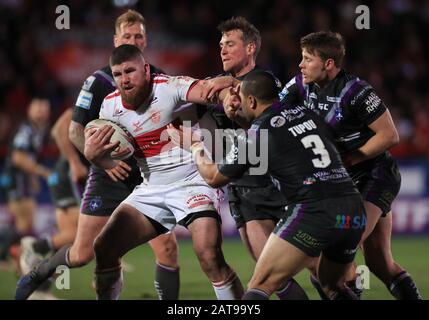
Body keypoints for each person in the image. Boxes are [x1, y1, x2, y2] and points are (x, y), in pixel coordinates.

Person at [15, 10, 179, 300]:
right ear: (116, 40)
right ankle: (39, 272)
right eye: (127, 36)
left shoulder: (162, 79)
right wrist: (103, 161)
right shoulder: (100, 80)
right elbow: (74, 130)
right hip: (108, 178)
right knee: (81, 254)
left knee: (167, 249)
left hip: (148, 179)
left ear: (145, 40)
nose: (133, 40)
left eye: (138, 36)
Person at [169, 70, 366, 300]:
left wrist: (194, 146)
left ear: (250, 100)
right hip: (353, 210)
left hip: (314, 210)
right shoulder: (306, 112)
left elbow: (214, 177)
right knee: (334, 286)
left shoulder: (255, 135)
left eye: (240, 99)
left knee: (259, 284)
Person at [83, 44, 243, 300]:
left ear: (146, 69)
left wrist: (227, 94)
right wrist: (94, 156)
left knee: (209, 254)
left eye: (130, 71)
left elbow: (209, 92)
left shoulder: (170, 87)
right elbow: (101, 151)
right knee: (104, 247)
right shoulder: (109, 108)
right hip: (152, 189)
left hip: (193, 182)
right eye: (118, 74)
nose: (124, 80)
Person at [280, 31, 422, 300]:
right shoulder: (301, 83)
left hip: (374, 177)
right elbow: (272, 110)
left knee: (336, 256)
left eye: (308, 59)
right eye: (302, 58)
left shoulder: (356, 91)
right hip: (341, 183)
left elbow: (389, 135)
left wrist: (352, 158)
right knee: (380, 264)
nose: (301, 65)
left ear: (329, 64)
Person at [201, 16, 307, 299]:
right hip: (241, 189)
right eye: (221, 44)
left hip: (276, 186)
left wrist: (229, 83)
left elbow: (270, 124)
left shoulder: (267, 82)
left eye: (230, 44)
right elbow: (192, 92)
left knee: (321, 271)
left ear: (250, 49)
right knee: (271, 276)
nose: (222, 49)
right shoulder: (215, 85)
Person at [19, 108, 87, 275]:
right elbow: (58, 130)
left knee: (70, 239)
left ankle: (40, 284)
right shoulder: (90, 100)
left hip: (65, 176)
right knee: (85, 233)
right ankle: (35, 247)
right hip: (68, 176)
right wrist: (74, 162)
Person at [0, 97, 51, 263]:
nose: (41, 111)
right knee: (23, 221)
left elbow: (29, 157)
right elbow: (17, 158)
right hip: (15, 179)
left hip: (23, 179)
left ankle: (11, 255)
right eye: (37, 107)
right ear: (29, 110)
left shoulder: (38, 131)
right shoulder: (26, 130)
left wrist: (33, 177)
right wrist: (42, 172)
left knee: (25, 222)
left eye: (44, 108)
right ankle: (5, 257)